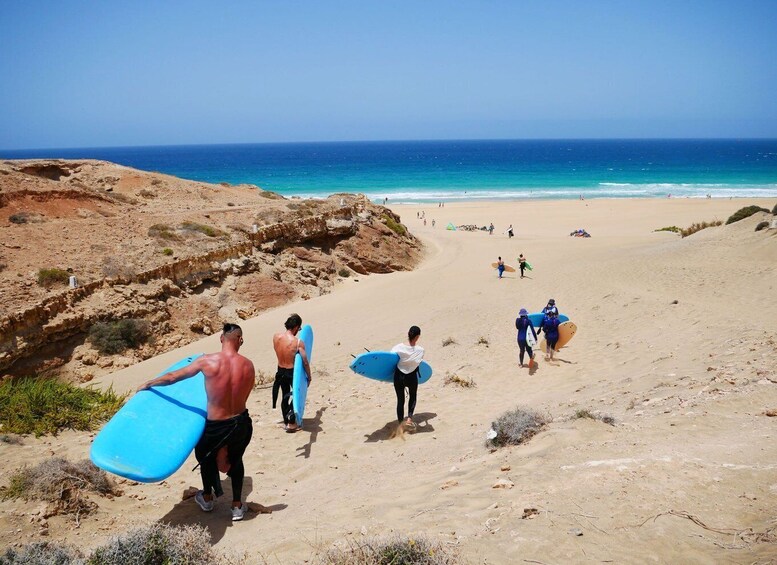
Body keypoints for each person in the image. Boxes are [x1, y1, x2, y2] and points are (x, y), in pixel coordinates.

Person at [137, 323, 254, 521]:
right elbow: (244, 393)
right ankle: (236, 506)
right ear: (240, 340)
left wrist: (149, 383)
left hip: (215, 425)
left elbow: (174, 376)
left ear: (221, 338)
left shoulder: (206, 361)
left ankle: (207, 498)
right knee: (236, 459)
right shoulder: (248, 364)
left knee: (205, 457)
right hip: (242, 423)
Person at [272, 313, 312, 433]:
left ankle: (286, 421)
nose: (298, 331)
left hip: (280, 371)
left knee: (285, 395)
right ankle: (292, 422)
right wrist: (309, 376)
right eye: (298, 329)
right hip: (291, 372)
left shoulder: (276, 337)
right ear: (296, 327)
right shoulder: (297, 342)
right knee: (295, 395)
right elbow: (305, 361)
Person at [391, 326, 424, 429]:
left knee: (400, 400)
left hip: (399, 376)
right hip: (412, 377)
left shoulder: (398, 347)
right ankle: (409, 419)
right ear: (417, 336)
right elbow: (418, 363)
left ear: (408, 333)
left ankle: (401, 423)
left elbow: (390, 359)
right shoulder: (421, 350)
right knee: (413, 396)